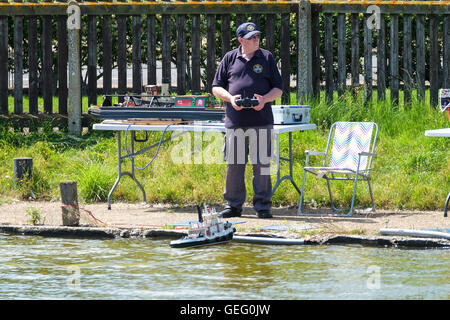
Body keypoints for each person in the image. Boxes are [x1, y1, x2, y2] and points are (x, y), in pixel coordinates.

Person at [212, 22, 283, 219]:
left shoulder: (266, 57)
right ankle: (233, 206)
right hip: (236, 121)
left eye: (258, 36)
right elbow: (216, 87)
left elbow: (279, 88)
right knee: (235, 164)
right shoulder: (229, 58)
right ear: (241, 40)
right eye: (252, 37)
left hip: (261, 120)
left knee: (261, 164)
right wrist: (230, 98)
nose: (256, 40)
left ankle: (262, 206)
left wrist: (264, 99)